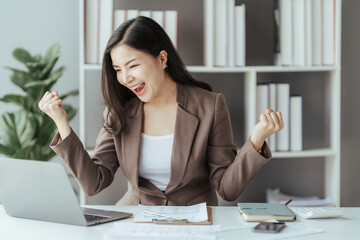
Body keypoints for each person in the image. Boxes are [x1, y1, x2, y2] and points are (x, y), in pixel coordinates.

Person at [39, 16, 284, 206]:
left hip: (193, 224)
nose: (125, 78)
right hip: (135, 221)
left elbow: (226, 189)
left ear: (162, 58)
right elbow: (94, 182)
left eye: (133, 65)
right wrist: (62, 123)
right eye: (117, 69)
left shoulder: (210, 106)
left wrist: (257, 140)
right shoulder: (119, 111)